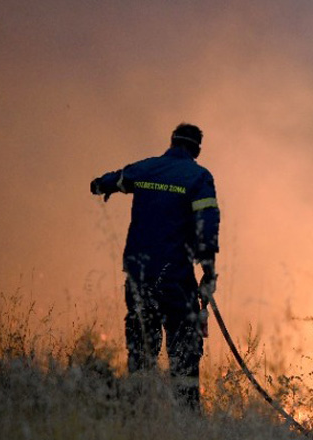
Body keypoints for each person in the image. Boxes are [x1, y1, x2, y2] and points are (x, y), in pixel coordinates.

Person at [90, 123, 220, 412]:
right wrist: (209, 272)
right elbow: (207, 226)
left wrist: (99, 185)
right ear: (196, 149)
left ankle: (138, 413)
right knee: (184, 351)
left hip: (138, 276)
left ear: (172, 142)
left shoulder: (147, 168)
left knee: (141, 349)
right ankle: (186, 418)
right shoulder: (198, 177)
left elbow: (113, 180)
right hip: (176, 279)